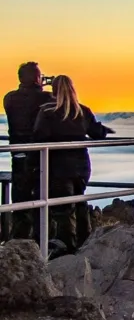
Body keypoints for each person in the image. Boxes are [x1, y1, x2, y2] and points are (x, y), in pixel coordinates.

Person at [32, 75, 114, 254]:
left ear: (53, 90)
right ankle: (85, 242)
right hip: (82, 166)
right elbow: (95, 132)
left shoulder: (47, 113)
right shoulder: (82, 111)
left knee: (64, 208)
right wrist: (104, 130)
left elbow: (38, 138)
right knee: (79, 201)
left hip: (58, 167)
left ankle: (66, 247)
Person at [3, 61, 54, 241]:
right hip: (39, 157)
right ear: (36, 78)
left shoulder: (9, 98)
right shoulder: (47, 98)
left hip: (17, 155)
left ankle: (19, 242)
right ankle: (42, 243)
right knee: (42, 201)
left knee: (20, 200)